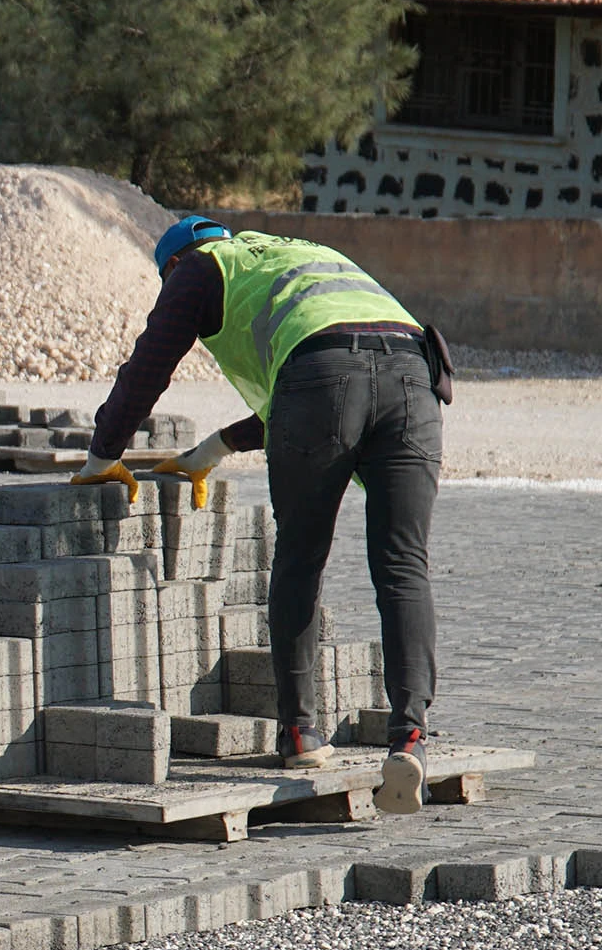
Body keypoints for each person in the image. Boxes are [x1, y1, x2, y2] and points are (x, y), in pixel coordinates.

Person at [73, 215, 445, 815]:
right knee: (405, 568)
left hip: (324, 383)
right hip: (416, 377)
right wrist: (210, 450)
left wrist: (102, 454)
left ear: (173, 265)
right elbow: (335, 359)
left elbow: (151, 364)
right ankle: (410, 738)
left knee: (300, 557)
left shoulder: (198, 267)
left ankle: (300, 735)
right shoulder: (295, 254)